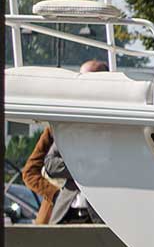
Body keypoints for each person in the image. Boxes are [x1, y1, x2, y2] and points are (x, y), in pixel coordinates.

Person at [22, 59, 109, 224]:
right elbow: (32, 171)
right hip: (61, 209)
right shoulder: (58, 126)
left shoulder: (115, 126)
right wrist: (56, 193)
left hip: (99, 215)